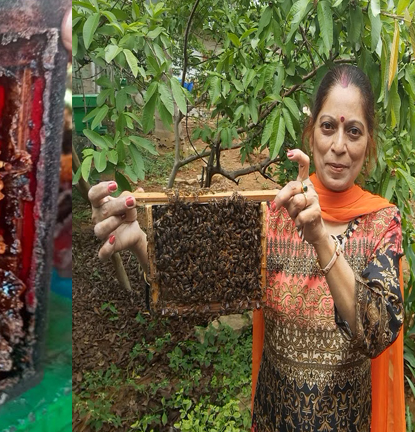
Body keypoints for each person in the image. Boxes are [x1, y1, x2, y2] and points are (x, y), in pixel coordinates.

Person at [87, 64, 405, 431]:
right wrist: (144, 243)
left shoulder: (382, 222)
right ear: (311, 132)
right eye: (328, 126)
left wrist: (319, 238)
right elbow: (200, 287)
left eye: (354, 131)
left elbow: (377, 331)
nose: (338, 146)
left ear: (370, 143)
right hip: (274, 416)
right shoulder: (275, 214)